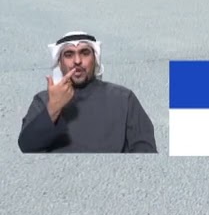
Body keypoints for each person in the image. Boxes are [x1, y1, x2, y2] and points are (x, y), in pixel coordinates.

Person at [18, 31, 157, 153]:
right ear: (60, 63)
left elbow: (146, 152)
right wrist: (53, 108)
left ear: (95, 59)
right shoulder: (43, 101)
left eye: (84, 53)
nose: (77, 61)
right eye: (69, 54)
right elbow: (27, 147)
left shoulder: (124, 99)